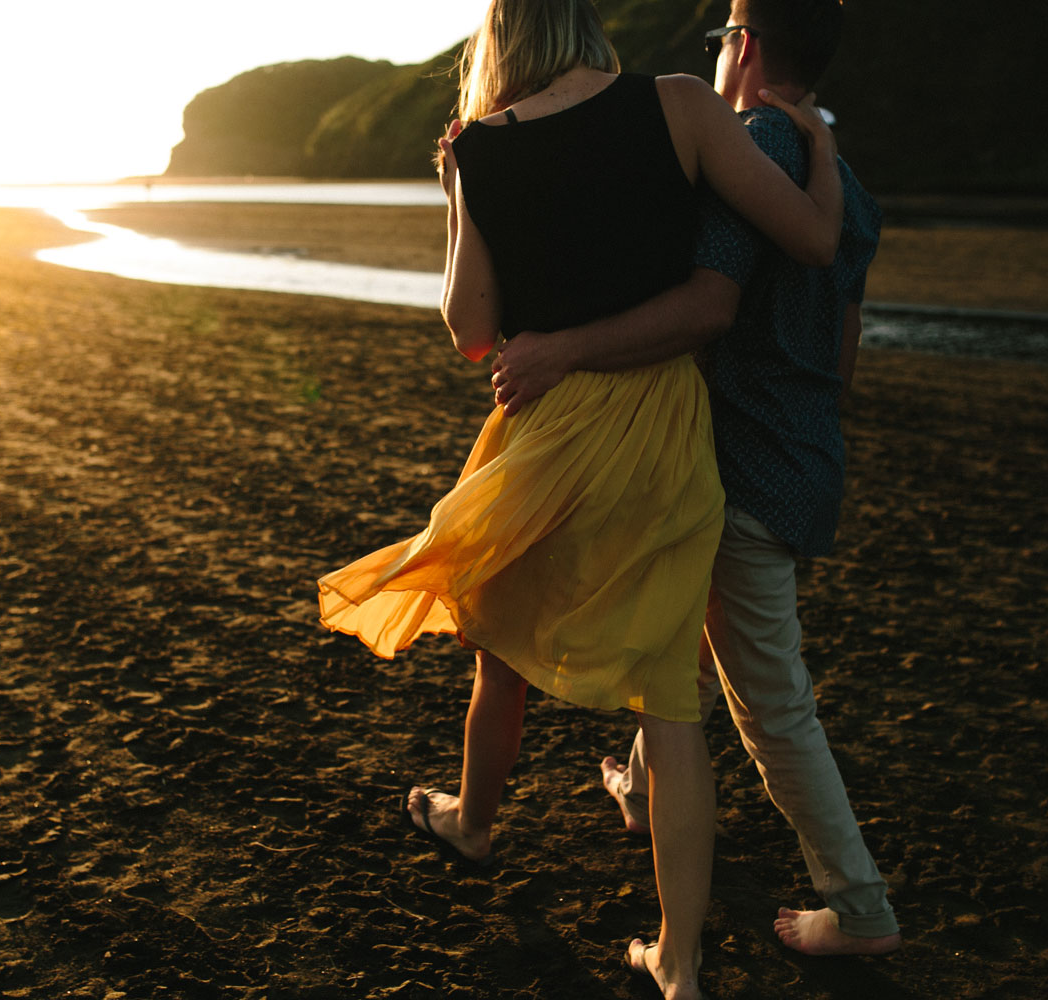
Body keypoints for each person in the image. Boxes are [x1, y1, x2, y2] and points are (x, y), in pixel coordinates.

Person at [317, 1, 841, 995]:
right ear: (585, 22)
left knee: (498, 633)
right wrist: (813, 143)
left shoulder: (479, 148)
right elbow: (812, 243)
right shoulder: (683, 104)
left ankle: (471, 822)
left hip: (549, 433)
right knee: (671, 698)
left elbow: (473, 333)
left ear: (500, 40)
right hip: (663, 430)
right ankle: (679, 966)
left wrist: (458, 191)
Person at [488, 0, 902, 960]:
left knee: (771, 702)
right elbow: (841, 360)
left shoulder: (749, 143)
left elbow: (707, 306)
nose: (716, 55)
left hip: (742, 461)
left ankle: (864, 906)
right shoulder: (852, 184)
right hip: (804, 461)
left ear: (745, 47)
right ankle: (641, 786)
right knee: (680, 623)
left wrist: (563, 350)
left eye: (720, 38)